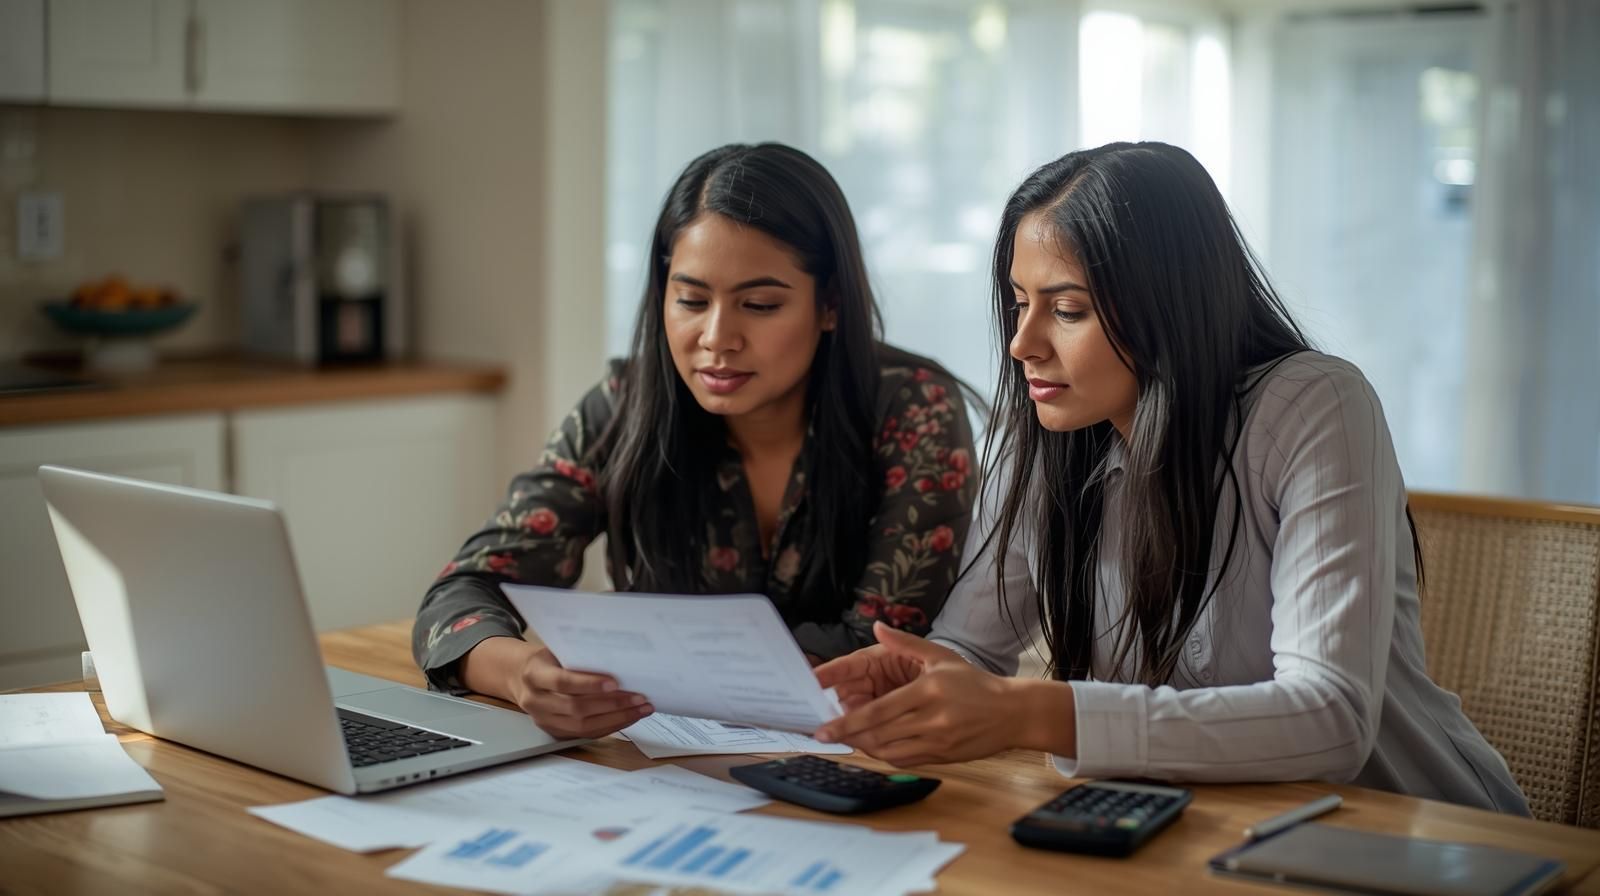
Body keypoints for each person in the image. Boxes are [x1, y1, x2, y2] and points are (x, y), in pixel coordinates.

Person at [813, 141, 1528, 814]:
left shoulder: (1314, 406)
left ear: (1169, 305)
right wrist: (919, 676)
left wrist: (1033, 711)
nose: (1022, 344)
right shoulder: (1043, 438)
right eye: (1019, 303)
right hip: (1203, 829)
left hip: (1417, 835)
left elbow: (1330, 716)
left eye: (1067, 309)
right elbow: (973, 649)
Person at [414, 143, 977, 741]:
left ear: (830, 304)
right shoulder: (626, 404)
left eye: (759, 304)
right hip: (661, 764)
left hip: (872, 759)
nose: (716, 337)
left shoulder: (914, 409)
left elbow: (883, 645)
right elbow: (461, 594)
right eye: (691, 300)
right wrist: (522, 674)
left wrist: (650, 665)